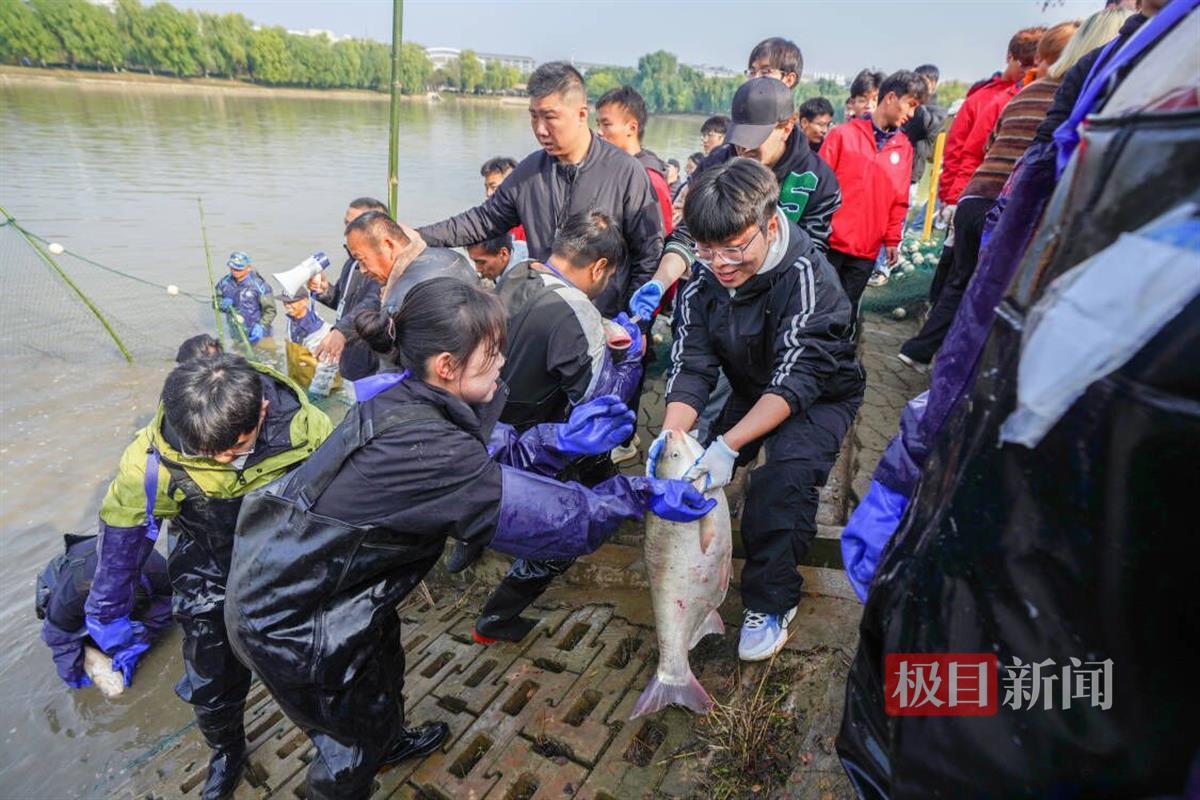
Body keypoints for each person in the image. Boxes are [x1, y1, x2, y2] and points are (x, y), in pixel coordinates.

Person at [224, 278, 712, 799]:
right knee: (347, 745)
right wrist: (634, 494)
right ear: (446, 366)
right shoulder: (423, 443)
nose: (503, 361)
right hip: (291, 617)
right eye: (492, 353)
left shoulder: (408, 395)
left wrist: (562, 439)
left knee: (380, 669)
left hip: (342, 590)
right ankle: (357, 767)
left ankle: (387, 742)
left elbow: (482, 452)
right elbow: (547, 518)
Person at [83, 354, 332, 799]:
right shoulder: (149, 459)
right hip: (207, 568)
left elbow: (342, 498)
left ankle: (345, 742)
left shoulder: (306, 427)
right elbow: (123, 539)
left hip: (286, 562)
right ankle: (227, 751)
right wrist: (106, 611)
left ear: (261, 411)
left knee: (319, 664)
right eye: (206, 451)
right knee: (211, 683)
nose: (219, 458)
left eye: (232, 448)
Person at [655, 158, 863, 661]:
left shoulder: (810, 277)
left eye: (734, 248)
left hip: (820, 394)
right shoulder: (704, 278)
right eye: (706, 250)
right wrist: (671, 441)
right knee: (688, 474)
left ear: (770, 226)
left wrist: (729, 446)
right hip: (752, 384)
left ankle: (771, 601)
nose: (720, 263)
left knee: (781, 483)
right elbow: (693, 365)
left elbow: (797, 381)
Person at [473, 211, 644, 642]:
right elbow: (602, 409)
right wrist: (631, 359)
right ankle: (495, 621)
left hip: (486, 429)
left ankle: (468, 546)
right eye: (606, 278)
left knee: (596, 468)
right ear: (600, 267)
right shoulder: (577, 310)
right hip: (534, 444)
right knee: (559, 539)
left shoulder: (518, 273)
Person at [898, 20, 1085, 371]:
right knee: (981, 289)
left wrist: (954, 197)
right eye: (1029, 64)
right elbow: (965, 149)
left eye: (1038, 63)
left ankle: (922, 350)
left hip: (972, 197)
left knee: (959, 279)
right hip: (999, 205)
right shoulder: (1060, 99)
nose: (1033, 70)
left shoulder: (1019, 97)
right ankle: (952, 366)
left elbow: (983, 147)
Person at [416, 61, 664, 319]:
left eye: (550, 117)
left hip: (607, 320)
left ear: (581, 114)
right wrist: (418, 236)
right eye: (534, 116)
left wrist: (636, 322)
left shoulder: (625, 172)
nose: (540, 129)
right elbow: (481, 220)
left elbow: (648, 254)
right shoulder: (530, 172)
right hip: (546, 315)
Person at [821, 70, 928, 312]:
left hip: (865, 250)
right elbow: (820, 186)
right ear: (890, 97)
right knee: (816, 306)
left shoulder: (904, 149)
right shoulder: (842, 135)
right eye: (910, 105)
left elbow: (900, 200)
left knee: (845, 312)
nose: (911, 114)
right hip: (830, 243)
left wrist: (892, 239)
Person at [39, 534, 172, 690]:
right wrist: (72, 672)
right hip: (65, 578)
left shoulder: (157, 569)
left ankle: (122, 628)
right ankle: (88, 642)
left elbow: (166, 607)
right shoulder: (69, 597)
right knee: (56, 619)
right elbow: (58, 638)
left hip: (126, 566)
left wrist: (142, 638)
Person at [936, 27, 1046, 214]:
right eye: (1023, 64)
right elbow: (959, 151)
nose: (1028, 71)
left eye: (1035, 65)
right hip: (976, 194)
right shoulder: (982, 99)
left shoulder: (1040, 96)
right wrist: (951, 197)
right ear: (1009, 57)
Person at [309, 197, 388, 381]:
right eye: (347, 223)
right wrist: (325, 291)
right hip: (348, 355)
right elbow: (344, 303)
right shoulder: (351, 263)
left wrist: (342, 330)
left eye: (356, 224)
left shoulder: (380, 266)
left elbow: (373, 302)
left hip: (370, 363)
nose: (348, 230)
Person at [595, 85, 675, 235]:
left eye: (606, 124)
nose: (599, 132)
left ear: (632, 128)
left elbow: (658, 240)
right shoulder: (610, 167)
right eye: (598, 124)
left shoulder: (650, 178)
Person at [278, 280, 343, 397]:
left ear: (305, 301)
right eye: (285, 302)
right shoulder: (291, 320)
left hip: (321, 389)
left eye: (292, 302)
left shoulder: (317, 330)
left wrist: (317, 391)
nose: (287, 306)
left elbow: (329, 365)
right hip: (299, 382)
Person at [215, 251, 275, 346]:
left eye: (239, 269)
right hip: (237, 332)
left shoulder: (260, 286)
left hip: (260, 333)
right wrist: (221, 304)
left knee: (267, 355)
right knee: (240, 357)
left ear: (248, 268)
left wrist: (262, 325)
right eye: (232, 268)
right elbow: (215, 301)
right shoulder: (224, 283)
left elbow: (270, 310)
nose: (235, 271)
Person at [479, 156, 526, 242]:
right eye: (487, 187)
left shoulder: (530, 224)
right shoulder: (489, 220)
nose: (488, 193)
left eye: (494, 187)